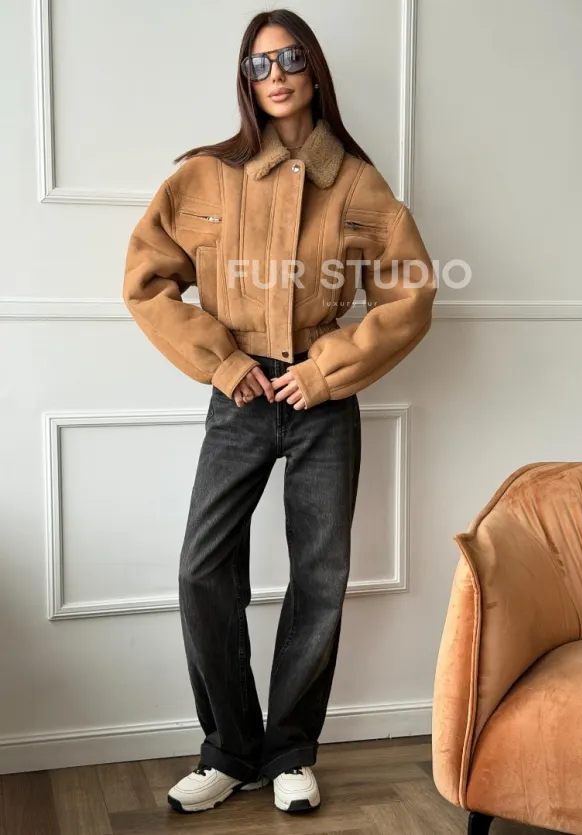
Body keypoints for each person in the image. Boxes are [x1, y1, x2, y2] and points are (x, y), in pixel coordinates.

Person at [122, 7, 436, 817]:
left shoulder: (357, 183)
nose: (276, 76)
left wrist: (326, 371)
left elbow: (410, 292)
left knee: (320, 578)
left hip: (321, 400)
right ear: (245, 79)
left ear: (314, 70)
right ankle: (230, 749)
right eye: (259, 64)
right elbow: (148, 283)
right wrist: (223, 362)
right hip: (239, 397)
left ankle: (291, 751)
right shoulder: (204, 175)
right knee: (202, 569)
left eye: (290, 58)